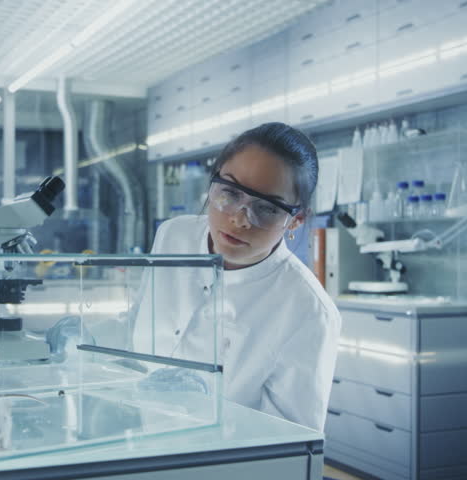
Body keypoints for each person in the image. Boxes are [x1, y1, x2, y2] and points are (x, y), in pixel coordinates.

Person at [135, 122, 341, 432]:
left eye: (267, 208)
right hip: (133, 436)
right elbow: (138, 322)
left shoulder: (307, 311)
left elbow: (289, 441)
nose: (239, 218)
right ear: (212, 185)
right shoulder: (173, 236)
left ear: (296, 220)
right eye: (229, 193)